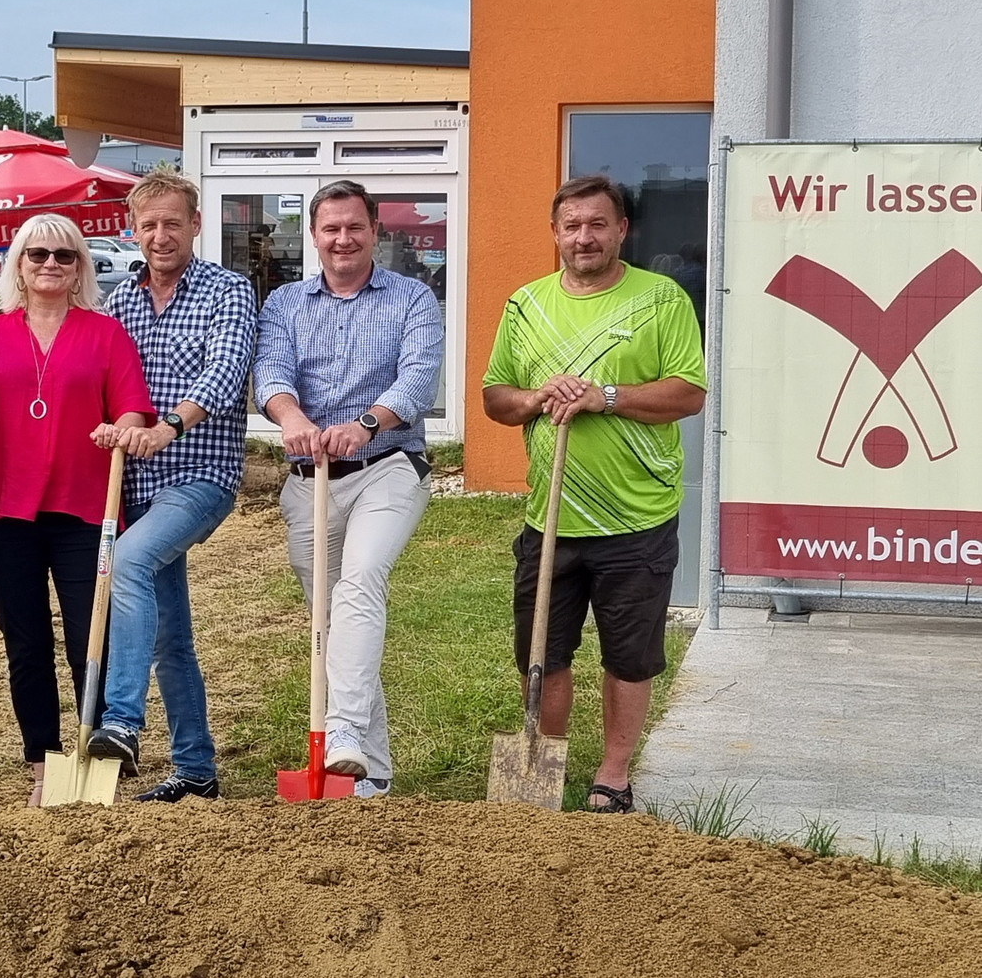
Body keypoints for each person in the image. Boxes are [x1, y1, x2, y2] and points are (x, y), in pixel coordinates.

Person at [481, 174, 706, 813]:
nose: (584, 237)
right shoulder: (526, 306)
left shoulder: (661, 301)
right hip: (549, 520)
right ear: (555, 233)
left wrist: (604, 396)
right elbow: (497, 397)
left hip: (637, 517)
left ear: (621, 231)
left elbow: (689, 392)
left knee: (629, 657)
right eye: (572, 225)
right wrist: (535, 398)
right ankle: (543, 769)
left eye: (597, 224)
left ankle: (613, 775)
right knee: (542, 654)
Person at [0, 214, 154, 806]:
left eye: (64, 256)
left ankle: (97, 754)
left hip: (85, 507)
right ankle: (43, 763)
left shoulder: (105, 333)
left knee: (91, 636)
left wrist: (121, 429)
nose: (49, 264)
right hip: (2, 511)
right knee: (26, 641)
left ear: (80, 269)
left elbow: (132, 411)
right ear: (17, 263)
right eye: (36, 254)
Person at [253, 179, 444, 798]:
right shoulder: (284, 304)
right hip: (311, 481)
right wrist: (295, 420)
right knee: (336, 625)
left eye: (354, 227)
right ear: (313, 236)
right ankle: (372, 772)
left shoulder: (413, 297)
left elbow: (418, 380)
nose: (342, 238)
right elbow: (271, 375)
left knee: (361, 581)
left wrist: (365, 425)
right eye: (330, 228)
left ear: (374, 232)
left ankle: (340, 732)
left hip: (388, 467)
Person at [84, 170, 258, 803]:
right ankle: (195, 767)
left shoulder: (227, 290)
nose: (161, 236)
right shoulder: (116, 302)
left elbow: (227, 370)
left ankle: (123, 723)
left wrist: (169, 426)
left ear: (196, 225)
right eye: (148, 224)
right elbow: (100, 379)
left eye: (172, 223)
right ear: (133, 230)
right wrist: (107, 428)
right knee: (168, 634)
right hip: (131, 482)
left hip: (198, 475)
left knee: (127, 560)